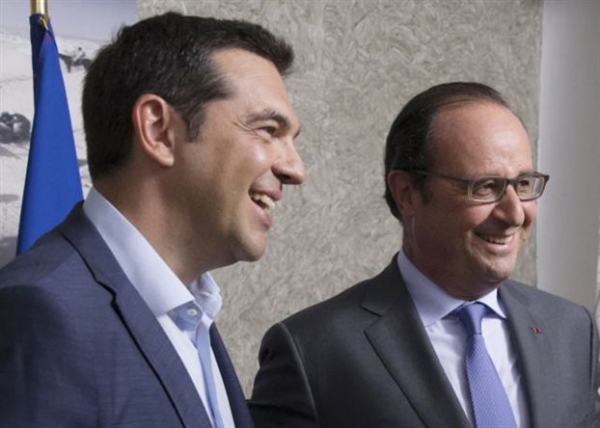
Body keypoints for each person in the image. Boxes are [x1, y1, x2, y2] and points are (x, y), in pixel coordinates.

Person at [0, 12, 304, 428]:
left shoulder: (190, 313)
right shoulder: (41, 314)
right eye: (268, 130)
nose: (295, 169)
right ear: (158, 130)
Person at [249, 82, 600, 427]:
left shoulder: (572, 330)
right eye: (485, 187)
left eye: (523, 184)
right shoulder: (312, 351)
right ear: (407, 194)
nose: (515, 214)